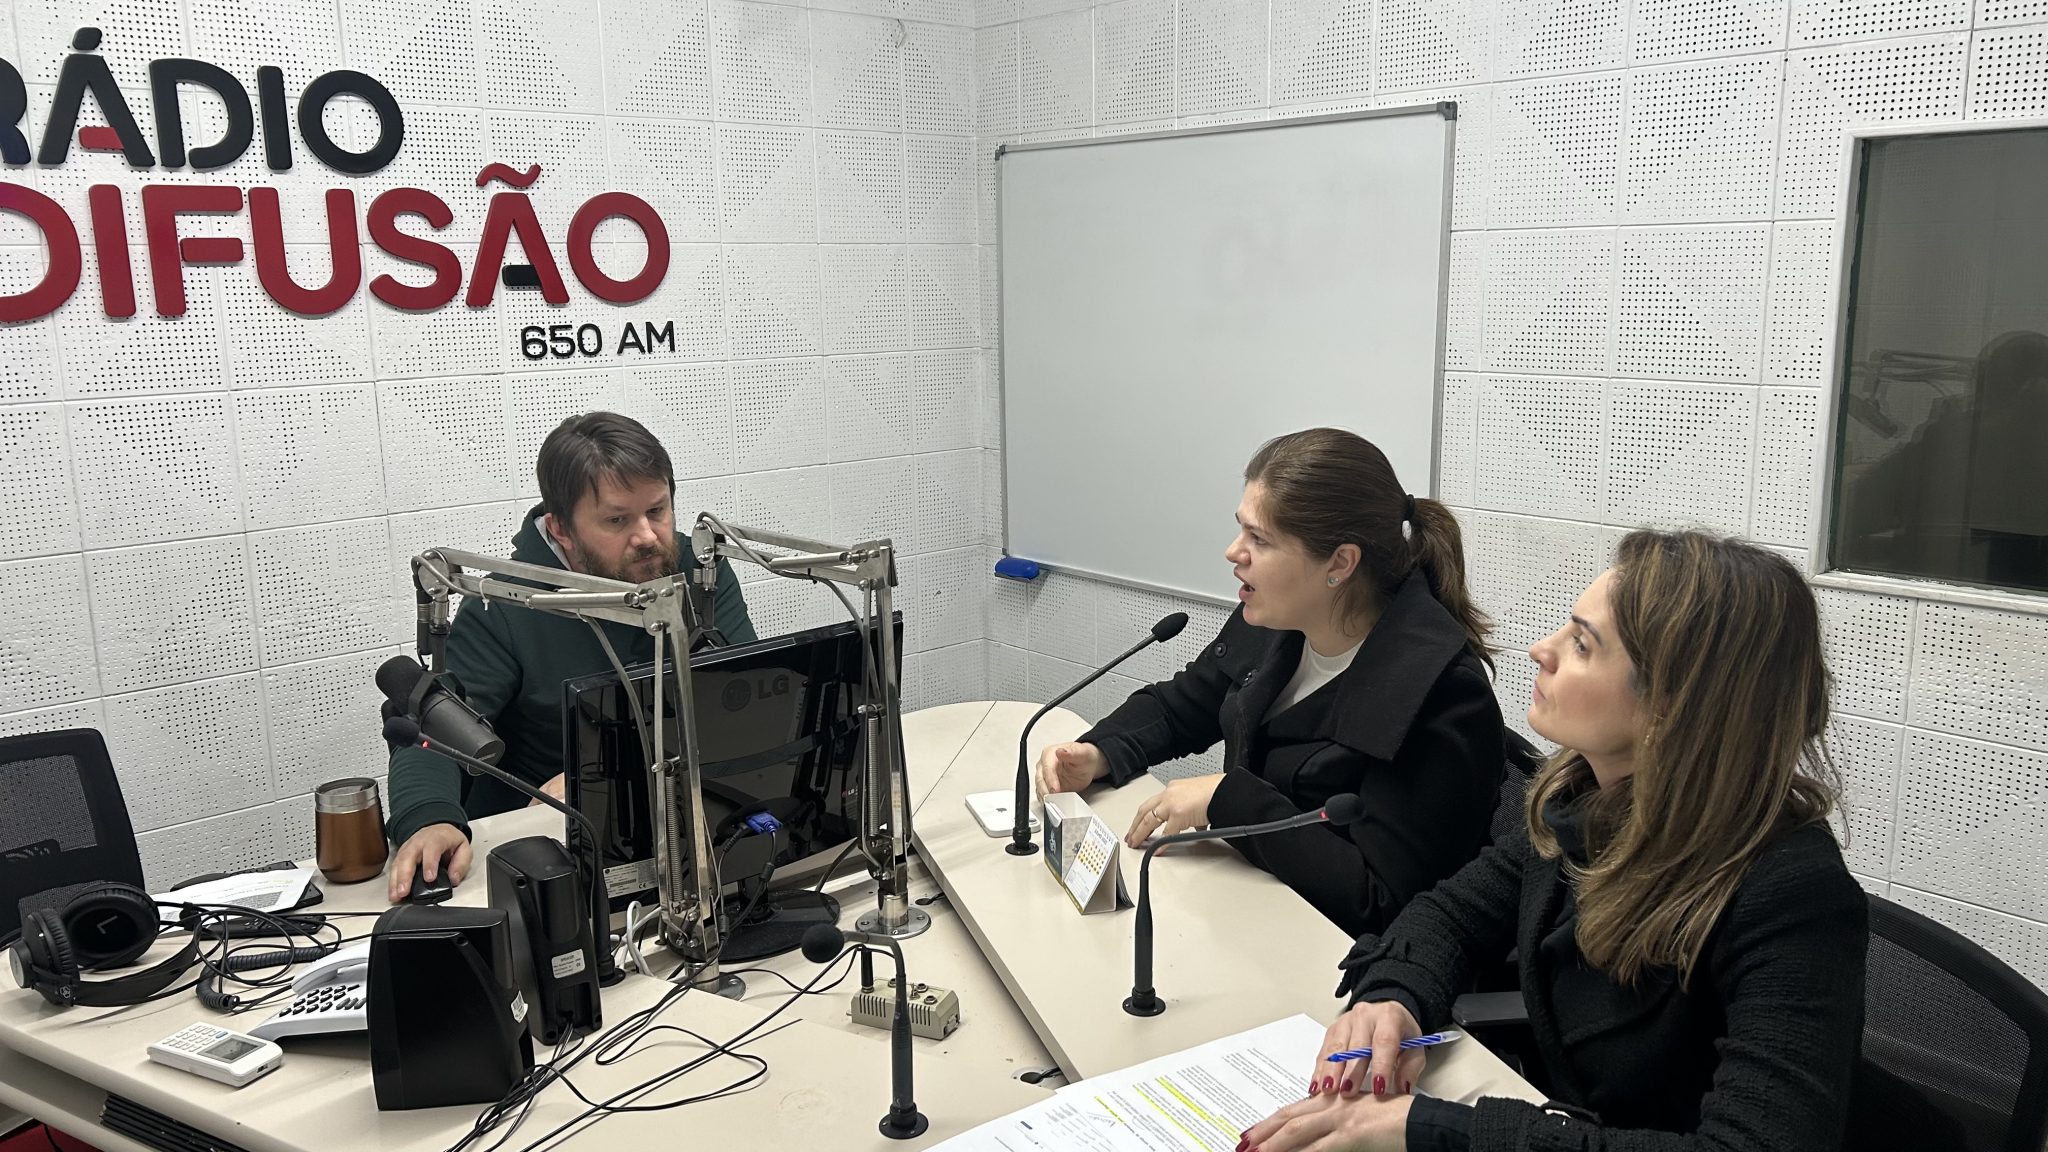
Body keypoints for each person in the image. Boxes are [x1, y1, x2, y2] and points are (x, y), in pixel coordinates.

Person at [1241, 530, 1867, 1152]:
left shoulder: (1791, 893)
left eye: (1583, 645)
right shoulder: (1584, 804)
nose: (1542, 649)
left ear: (1671, 707)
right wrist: (1393, 999)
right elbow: (1452, 914)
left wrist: (1433, 1129)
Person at [1035, 428, 1505, 938]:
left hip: (1332, 956)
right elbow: (1181, 707)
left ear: (1340, 563)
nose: (1233, 552)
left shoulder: (1439, 692)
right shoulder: (1276, 618)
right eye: (1241, 530)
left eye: (1259, 539)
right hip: (1244, 911)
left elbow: (1383, 904)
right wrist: (1099, 751)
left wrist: (1228, 800)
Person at [383, 412, 755, 902]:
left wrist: (618, 775)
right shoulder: (504, 606)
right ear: (561, 529)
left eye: (658, 510)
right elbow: (433, 729)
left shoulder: (700, 572)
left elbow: (742, 696)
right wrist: (429, 818)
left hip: (686, 825)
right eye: (617, 520)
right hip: (552, 854)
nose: (648, 536)